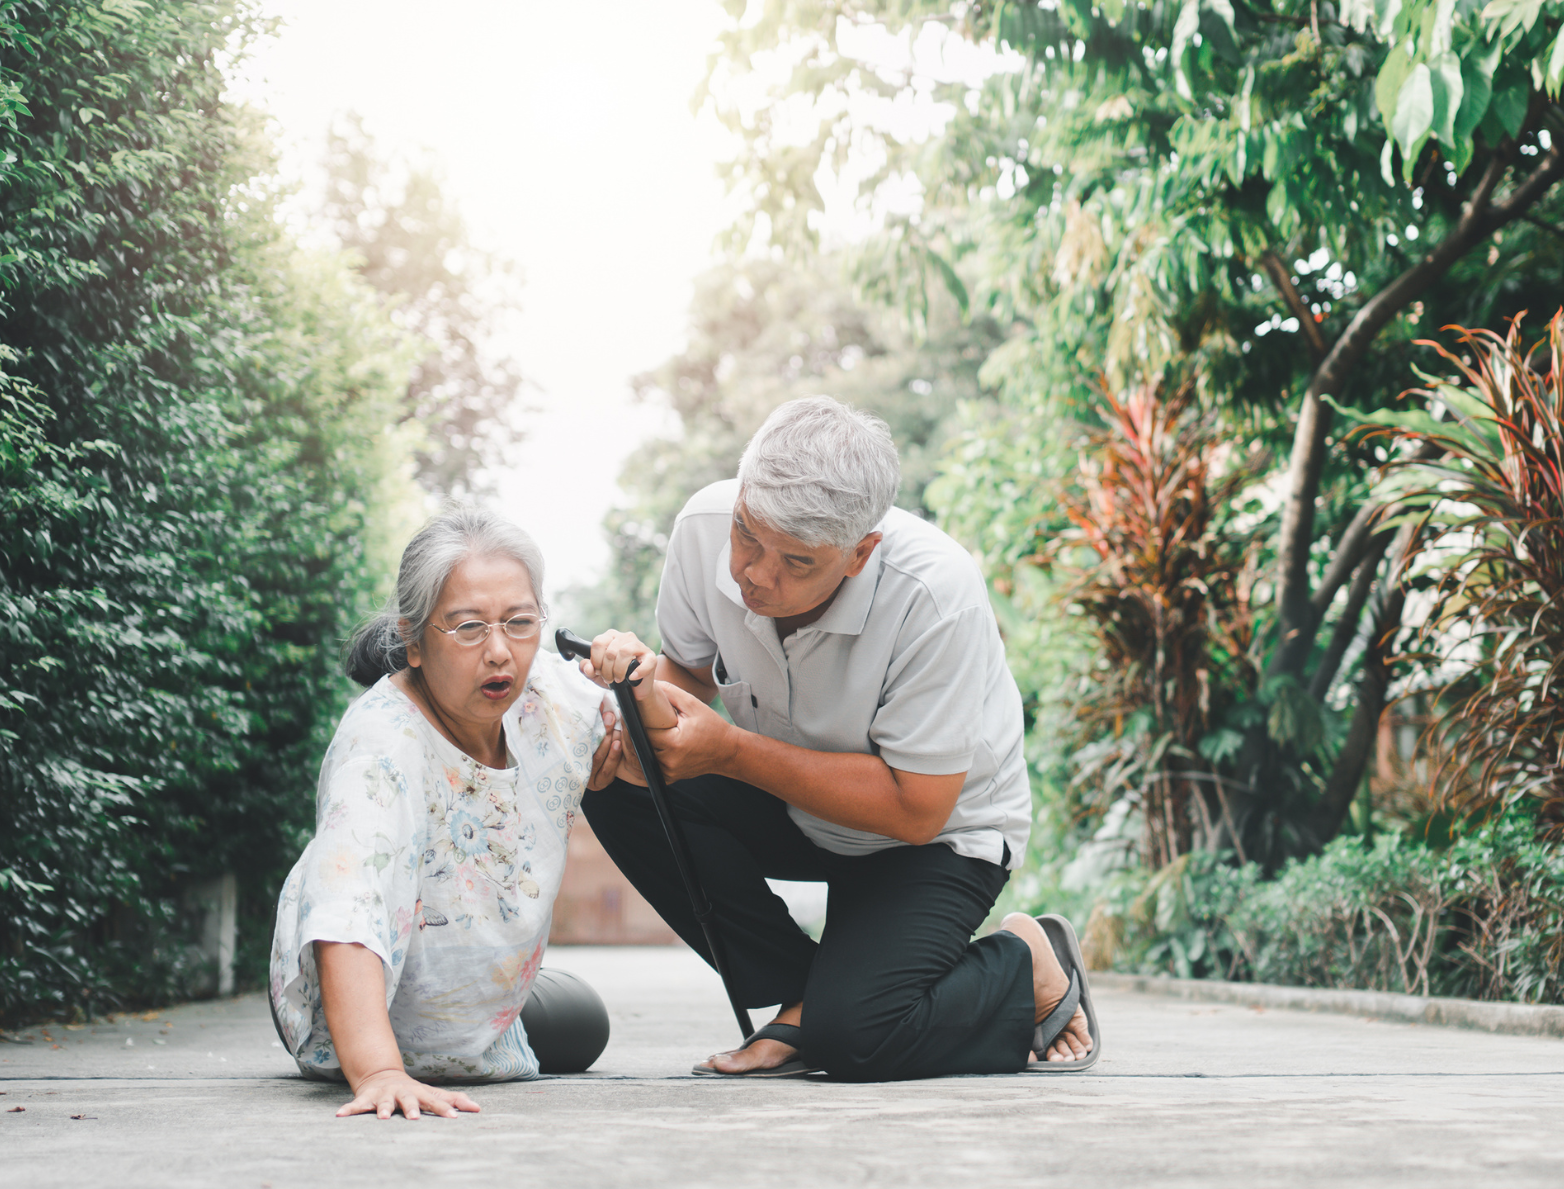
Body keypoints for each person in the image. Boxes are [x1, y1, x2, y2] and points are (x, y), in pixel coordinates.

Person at [581, 395, 1100, 1082]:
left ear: (860, 553)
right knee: (621, 775)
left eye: (797, 562)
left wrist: (729, 750)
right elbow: (690, 675)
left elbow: (915, 809)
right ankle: (806, 993)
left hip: (936, 838)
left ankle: (1023, 962)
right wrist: (639, 700)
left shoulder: (934, 596)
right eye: (748, 535)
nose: (756, 575)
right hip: (799, 806)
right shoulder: (706, 525)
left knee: (857, 1040)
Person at [269, 509, 624, 1120]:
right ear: (412, 638)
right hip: (365, 1021)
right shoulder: (381, 749)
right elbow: (347, 914)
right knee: (410, 1036)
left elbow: (660, 742)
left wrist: (634, 693)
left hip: (484, 1018)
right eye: (466, 628)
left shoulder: (538, 686)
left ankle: (496, 1001)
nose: (498, 651)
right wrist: (380, 1072)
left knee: (586, 1023)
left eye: (519, 622)